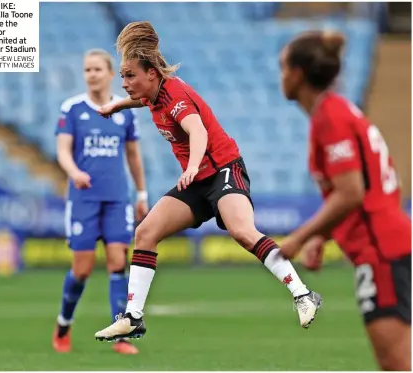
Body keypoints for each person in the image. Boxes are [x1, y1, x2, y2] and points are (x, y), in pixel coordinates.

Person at [93, 21, 322, 342]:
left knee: (242, 232)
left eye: (130, 76)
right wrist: (117, 103)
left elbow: (197, 130)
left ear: (152, 74)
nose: (125, 83)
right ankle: (133, 317)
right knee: (145, 233)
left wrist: (194, 164)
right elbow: (141, 99)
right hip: (197, 180)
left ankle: (302, 294)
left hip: (222, 169)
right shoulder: (153, 94)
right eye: (123, 77)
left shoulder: (175, 95)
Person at [277, 30, 411, 371]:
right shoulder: (336, 111)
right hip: (387, 243)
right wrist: (324, 235)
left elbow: (352, 192)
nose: (281, 77)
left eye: (283, 68)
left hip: (380, 249)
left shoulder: (330, 117)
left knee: (396, 362)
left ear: (298, 74)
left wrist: (300, 237)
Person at [54, 49, 148, 354]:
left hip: (117, 198)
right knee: (81, 269)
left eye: (97, 69)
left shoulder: (125, 111)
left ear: (110, 74)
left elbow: (133, 155)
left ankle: (119, 335)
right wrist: (74, 172)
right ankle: (63, 325)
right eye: (87, 70)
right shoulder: (72, 109)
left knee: (118, 263)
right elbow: (63, 150)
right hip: (84, 199)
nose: (91, 74)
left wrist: (142, 193)